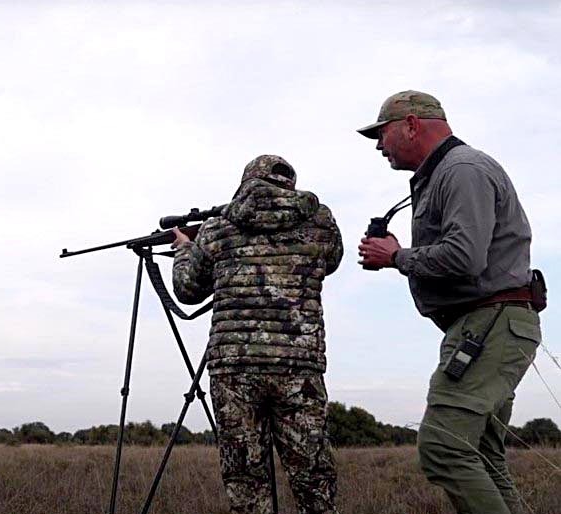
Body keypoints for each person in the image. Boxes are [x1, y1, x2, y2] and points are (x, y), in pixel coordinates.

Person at [357, 90, 541, 514]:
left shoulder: (461, 170)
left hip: (490, 326)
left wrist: (397, 257)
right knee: (481, 455)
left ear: (411, 125)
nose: (380, 147)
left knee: (444, 446)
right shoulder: (448, 173)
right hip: (487, 326)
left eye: (381, 135)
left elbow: (465, 255)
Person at [172, 155, 342, 514]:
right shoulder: (321, 223)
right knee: (314, 480)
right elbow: (333, 260)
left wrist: (185, 249)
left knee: (246, 483)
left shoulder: (217, 228)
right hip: (299, 367)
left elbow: (188, 289)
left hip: (234, 369)